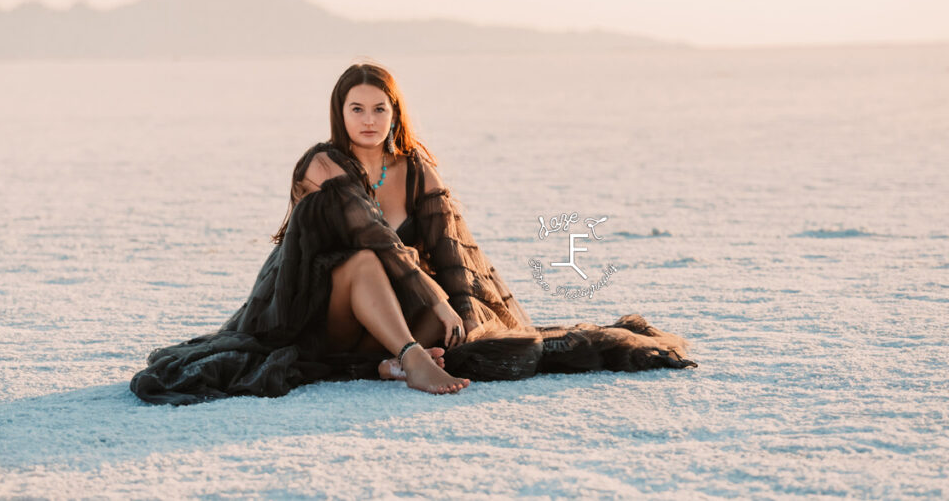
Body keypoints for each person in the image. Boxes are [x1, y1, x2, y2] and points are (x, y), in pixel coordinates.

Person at [130, 62, 697, 405]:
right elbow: (374, 237)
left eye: (380, 108)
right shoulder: (322, 166)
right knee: (363, 264)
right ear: (340, 113)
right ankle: (406, 356)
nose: (369, 119)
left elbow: (452, 251)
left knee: (462, 332)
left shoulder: (416, 170)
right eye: (357, 109)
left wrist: (463, 314)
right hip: (310, 313)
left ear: (395, 113)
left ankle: (388, 360)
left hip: (383, 314)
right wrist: (430, 300)